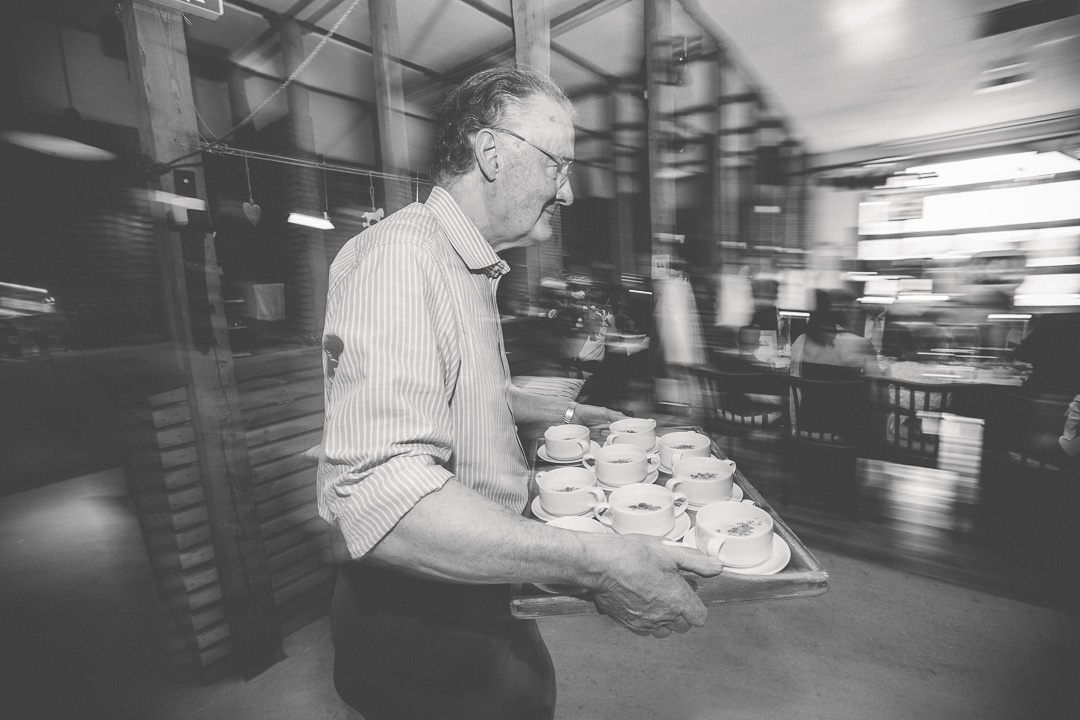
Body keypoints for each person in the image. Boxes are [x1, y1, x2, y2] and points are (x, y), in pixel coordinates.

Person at [315, 67, 724, 720]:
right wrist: (597, 563)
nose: (569, 191)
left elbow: (462, 395)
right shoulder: (401, 258)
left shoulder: (464, 263)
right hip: (423, 622)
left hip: (482, 585)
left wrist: (570, 413)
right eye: (558, 164)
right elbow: (385, 499)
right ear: (491, 152)